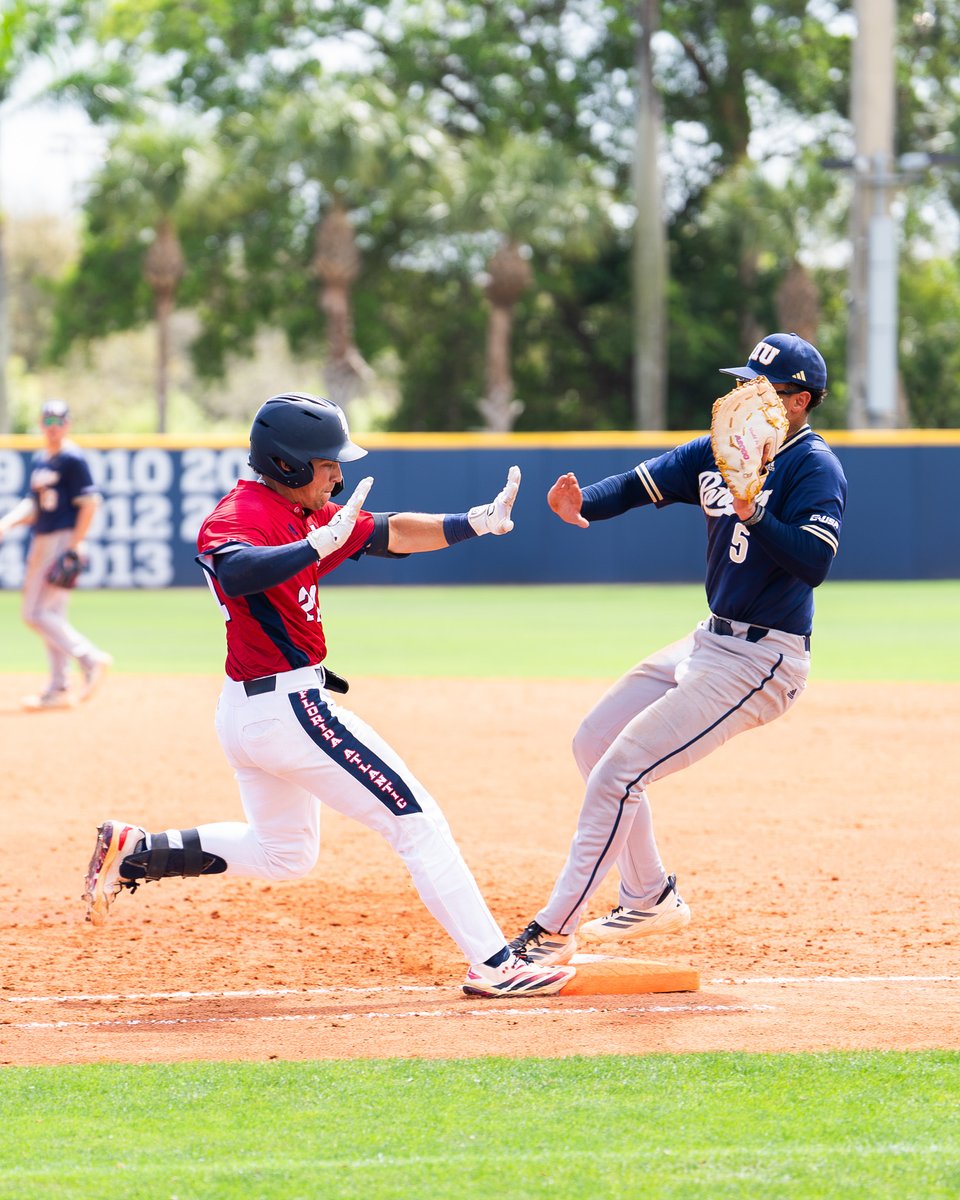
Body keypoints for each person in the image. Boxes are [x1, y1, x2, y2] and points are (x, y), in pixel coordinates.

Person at [82, 391, 575, 999]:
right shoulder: (240, 515)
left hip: (256, 710)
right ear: (287, 465)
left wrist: (471, 523)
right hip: (287, 710)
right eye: (327, 462)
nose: (340, 473)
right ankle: (497, 964)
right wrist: (313, 547)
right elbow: (234, 570)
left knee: (285, 853)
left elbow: (389, 532)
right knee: (417, 823)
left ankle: (138, 853)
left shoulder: (306, 510)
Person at [509, 332, 848, 966]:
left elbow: (815, 562)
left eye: (763, 388)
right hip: (710, 638)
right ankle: (649, 894)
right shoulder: (726, 450)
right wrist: (584, 504)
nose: (746, 397)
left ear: (799, 402)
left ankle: (552, 933)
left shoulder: (812, 466)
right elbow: (641, 483)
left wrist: (754, 514)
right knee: (593, 742)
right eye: (744, 383)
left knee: (618, 773)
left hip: (764, 660)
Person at [0, 398, 112, 710]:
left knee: (33, 613)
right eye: (47, 421)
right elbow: (34, 505)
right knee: (52, 616)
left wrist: (75, 544)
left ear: (68, 424)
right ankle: (58, 686)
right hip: (45, 537)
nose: (52, 427)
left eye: (58, 421)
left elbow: (90, 504)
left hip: (59, 540)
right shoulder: (42, 460)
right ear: (40, 424)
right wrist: (7, 522)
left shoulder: (72, 458)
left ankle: (90, 659)